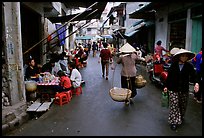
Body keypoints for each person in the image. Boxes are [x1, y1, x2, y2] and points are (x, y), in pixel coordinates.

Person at [163, 48, 199, 131]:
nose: (184, 57)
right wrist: (166, 86)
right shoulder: (174, 65)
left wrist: (196, 83)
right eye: (183, 56)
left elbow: (194, 76)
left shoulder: (189, 66)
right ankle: (174, 122)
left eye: (186, 56)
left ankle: (181, 116)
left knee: (182, 105)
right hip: (173, 88)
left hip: (184, 89)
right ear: (179, 56)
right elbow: (169, 77)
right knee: (174, 105)